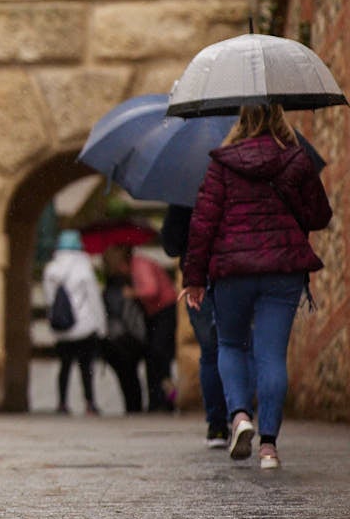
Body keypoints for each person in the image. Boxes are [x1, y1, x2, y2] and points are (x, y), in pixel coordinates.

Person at [182, 104, 331, 469]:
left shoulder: (222, 164)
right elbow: (319, 215)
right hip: (282, 269)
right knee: (271, 355)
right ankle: (268, 448)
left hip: (232, 272)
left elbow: (203, 224)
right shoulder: (296, 160)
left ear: (241, 121)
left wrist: (194, 278)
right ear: (279, 119)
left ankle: (239, 417)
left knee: (231, 344)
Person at [162, 204, 231, 447]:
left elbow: (170, 244)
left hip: (197, 281)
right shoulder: (240, 182)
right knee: (239, 345)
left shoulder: (185, 194)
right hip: (234, 275)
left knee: (211, 353)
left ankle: (217, 427)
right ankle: (242, 413)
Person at [42, 230, 106, 416]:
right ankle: (90, 403)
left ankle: (62, 403)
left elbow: (49, 299)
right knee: (86, 367)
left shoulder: (51, 269)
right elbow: (93, 299)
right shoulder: (84, 267)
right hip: (84, 326)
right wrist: (101, 326)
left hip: (62, 326)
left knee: (64, 367)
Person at [99, 245, 146, 414]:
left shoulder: (108, 288)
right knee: (132, 377)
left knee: (126, 378)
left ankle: (132, 408)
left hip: (112, 340)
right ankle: (136, 409)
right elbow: (131, 316)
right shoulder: (125, 287)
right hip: (127, 338)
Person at [131, 249, 179, 412]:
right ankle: (161, 400)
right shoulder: (138, 264)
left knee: (159, 358)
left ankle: (168, 400)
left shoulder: (139, 265)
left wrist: (133, 293)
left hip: (163, 311)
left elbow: (151, 290)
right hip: (157, 313)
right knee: (156, 359)